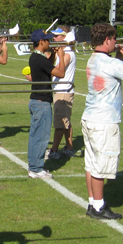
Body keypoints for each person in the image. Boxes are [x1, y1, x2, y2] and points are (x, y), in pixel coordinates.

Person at [81, 23, 123, 220]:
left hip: (90, 117)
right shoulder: (111, 64)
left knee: (91, 164)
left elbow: (115, 73)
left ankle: (93, 203)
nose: (117, 42)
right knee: (100, 166)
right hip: (104, 121)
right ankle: (99, 207)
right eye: (115, 39)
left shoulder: (94, 59)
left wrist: (118, 56)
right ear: (107, 40)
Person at [26, 29, 66, 178]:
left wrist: (54, 55)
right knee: (41, 137)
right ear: (41, 42)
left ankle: (34, 166)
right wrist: (61, 56)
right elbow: (60, 73)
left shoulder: (36, 57)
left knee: (35, 135)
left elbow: (47, 68)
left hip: (37, 100)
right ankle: (36, 168)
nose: (50, 42)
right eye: (47, 40)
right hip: (42, 102)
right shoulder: (39, 58)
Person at [50, 28, 76, 158]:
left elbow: (58, 70)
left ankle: (54, 150)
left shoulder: (67, 53)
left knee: (60, 123)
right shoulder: (64, 52)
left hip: (63, 91)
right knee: (65, 121)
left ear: (64, 38)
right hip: (61, 90)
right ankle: (69, 147)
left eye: (56, 36)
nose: (53, 38)